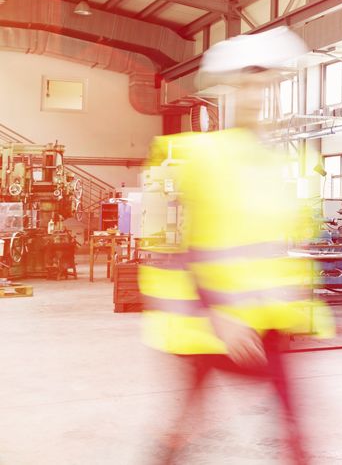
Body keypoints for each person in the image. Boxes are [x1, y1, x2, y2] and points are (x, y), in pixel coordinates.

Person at [139, 27, 331, 464]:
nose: (256, 96)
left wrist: (299, 304)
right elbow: (182, 249)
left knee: (291, 426)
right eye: (247, 85)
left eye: (264, 86)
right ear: (230, 92)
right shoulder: (201, 156)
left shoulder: (272, 161)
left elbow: (271, 246)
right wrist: (219, 315)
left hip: (263, 320)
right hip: (213, 324)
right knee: (187, 425)